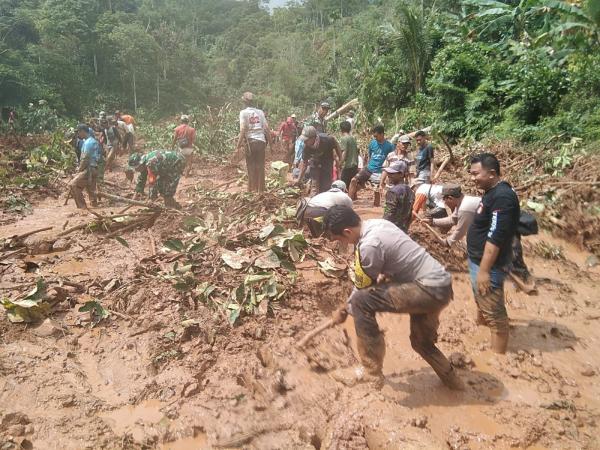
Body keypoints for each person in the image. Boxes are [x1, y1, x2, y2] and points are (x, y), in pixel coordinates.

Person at [323, 206, 464, 390]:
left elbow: (363, 289)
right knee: (421, 343)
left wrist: (345, 309)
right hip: (441, 286)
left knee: (360, 302)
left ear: (347, 231)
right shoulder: (378, 223)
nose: (342, 243)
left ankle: (371, 372)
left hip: (427, 289)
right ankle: (455, 385)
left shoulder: (369, 245)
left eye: (339, 238)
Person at [467, 153, 520, 354]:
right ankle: (480, 327)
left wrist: (484, 271)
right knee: (482, 300)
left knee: (495, 316)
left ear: (491, 173)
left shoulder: (502, 197)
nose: (472, 178)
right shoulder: (491, 192)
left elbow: (496, 236)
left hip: (489, 265)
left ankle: (498, 359)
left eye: (475, 174)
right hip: (477, 260)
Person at [348, 125, 395, 203]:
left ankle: (375, 207)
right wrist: (365, 166)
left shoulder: (389, 146)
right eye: (374, 136)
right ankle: (348, 203)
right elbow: (369, 157)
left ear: (382, 134)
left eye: (376, 136)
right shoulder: (372, 143)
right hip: (369, 168)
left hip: (379, 171)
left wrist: (387, 174)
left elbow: (391, 160)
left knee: (376, 199)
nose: (375, 138)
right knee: (353, 180)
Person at [236, 92, 271, 193]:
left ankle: (251, 190)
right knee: (260, 166)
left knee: (250, 166)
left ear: (244, 102)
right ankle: (261, 190)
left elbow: (242, 129)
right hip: (261, 141)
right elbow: (267, 129)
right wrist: (271, 145)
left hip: (250, 142)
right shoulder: (260, 112)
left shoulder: (243, 113)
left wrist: (238, 146)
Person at [296, 126, 342, 195]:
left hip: (327, 161)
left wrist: (340, 159)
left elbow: (336, 145)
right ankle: (313, 201)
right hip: (315, 162)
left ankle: (325, 201)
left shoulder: (327, 139)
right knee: (314, 185)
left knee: (326, 186)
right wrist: (298, 180)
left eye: (306, 140)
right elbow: (304, 164)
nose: (304, 142)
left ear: (313, 138)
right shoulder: (306, 148)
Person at [70, 124, 102, 208]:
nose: (78, 134)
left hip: (89, 169)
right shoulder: (93, 141)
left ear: (83, 131)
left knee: (73, 184)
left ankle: (82, 207)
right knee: (91, 190)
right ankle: (94, 207)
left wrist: (79, 170)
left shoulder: (87, 143)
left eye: (79, 132)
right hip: (94, 168)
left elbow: (85, 159)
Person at [382, 161, 414, 233]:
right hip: (403, 230)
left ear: (401, 174)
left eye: (392, 173)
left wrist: (382, 227)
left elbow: (388, 212)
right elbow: (409, 215)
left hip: (391, 230)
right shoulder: (410, 191)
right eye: (389, 173)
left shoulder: (393, 192)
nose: (389, 175)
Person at [339, 121, 359, 187]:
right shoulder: (353, 139)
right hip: (354, 165)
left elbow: (344, 152)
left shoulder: (344, 138)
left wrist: (340, 163)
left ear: (341, 129)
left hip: (348, 166)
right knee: (352, 186)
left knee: (343, 185)